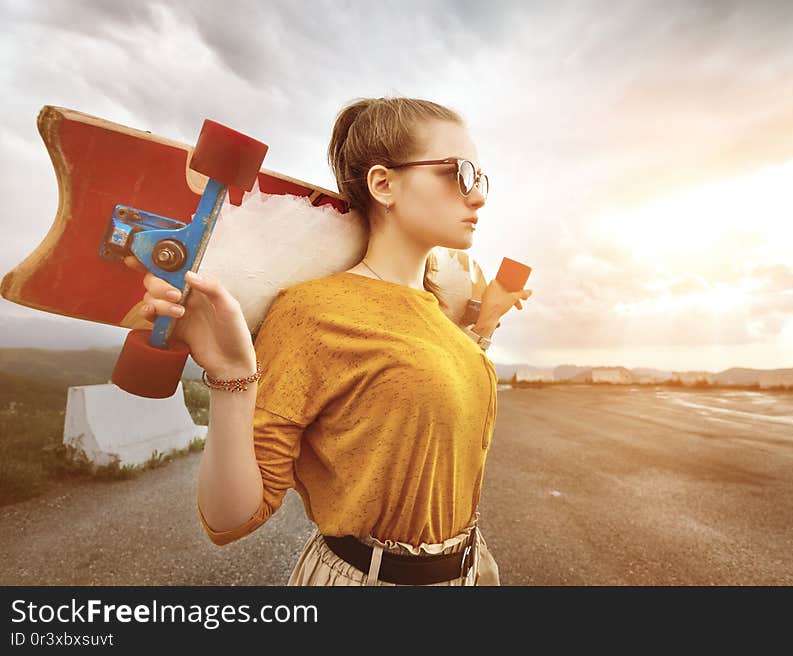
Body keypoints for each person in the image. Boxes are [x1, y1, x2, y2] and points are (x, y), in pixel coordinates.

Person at [126, 97, 532, 586]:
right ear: (384, 184)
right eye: (459, 172)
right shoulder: (312, 313)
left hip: (470, 573)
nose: (478, 196)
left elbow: (420, 397)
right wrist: (231, 377)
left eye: (480, 178)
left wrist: (485, 322)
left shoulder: (439, 318)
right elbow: (230, 518)